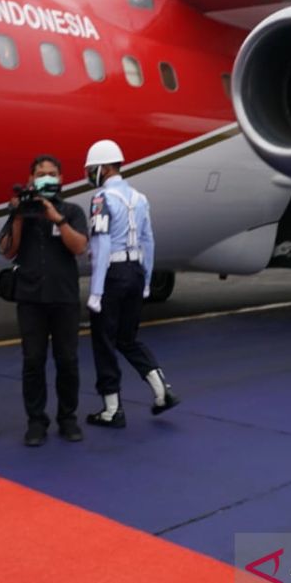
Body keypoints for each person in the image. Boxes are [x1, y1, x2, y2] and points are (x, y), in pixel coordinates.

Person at [83, 140, 179, 428]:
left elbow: (100, 244)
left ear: (106, 167)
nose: (90, 174)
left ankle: (112, 409)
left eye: (92, 169)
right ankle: (162, 391)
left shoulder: (101, 199)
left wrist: (96, 291)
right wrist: (147, 280)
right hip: (136, 271)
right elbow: (149, 242)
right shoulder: (140, 198)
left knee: (103, 340)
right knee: (128, 338)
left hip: (113, 273)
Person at [0, 155, 88, 447]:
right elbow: (6, 251)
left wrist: (57, 219)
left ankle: (67, 417)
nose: (46, 178)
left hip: (64, 299)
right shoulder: (22, 213)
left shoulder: (71, 211)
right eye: (40, 174)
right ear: (31, 180)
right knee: (33, 362)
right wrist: (19, 215)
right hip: (31, 299)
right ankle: (36, 421)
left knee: (68, 361)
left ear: (61, 179)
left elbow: (79, 247)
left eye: (51, 174)